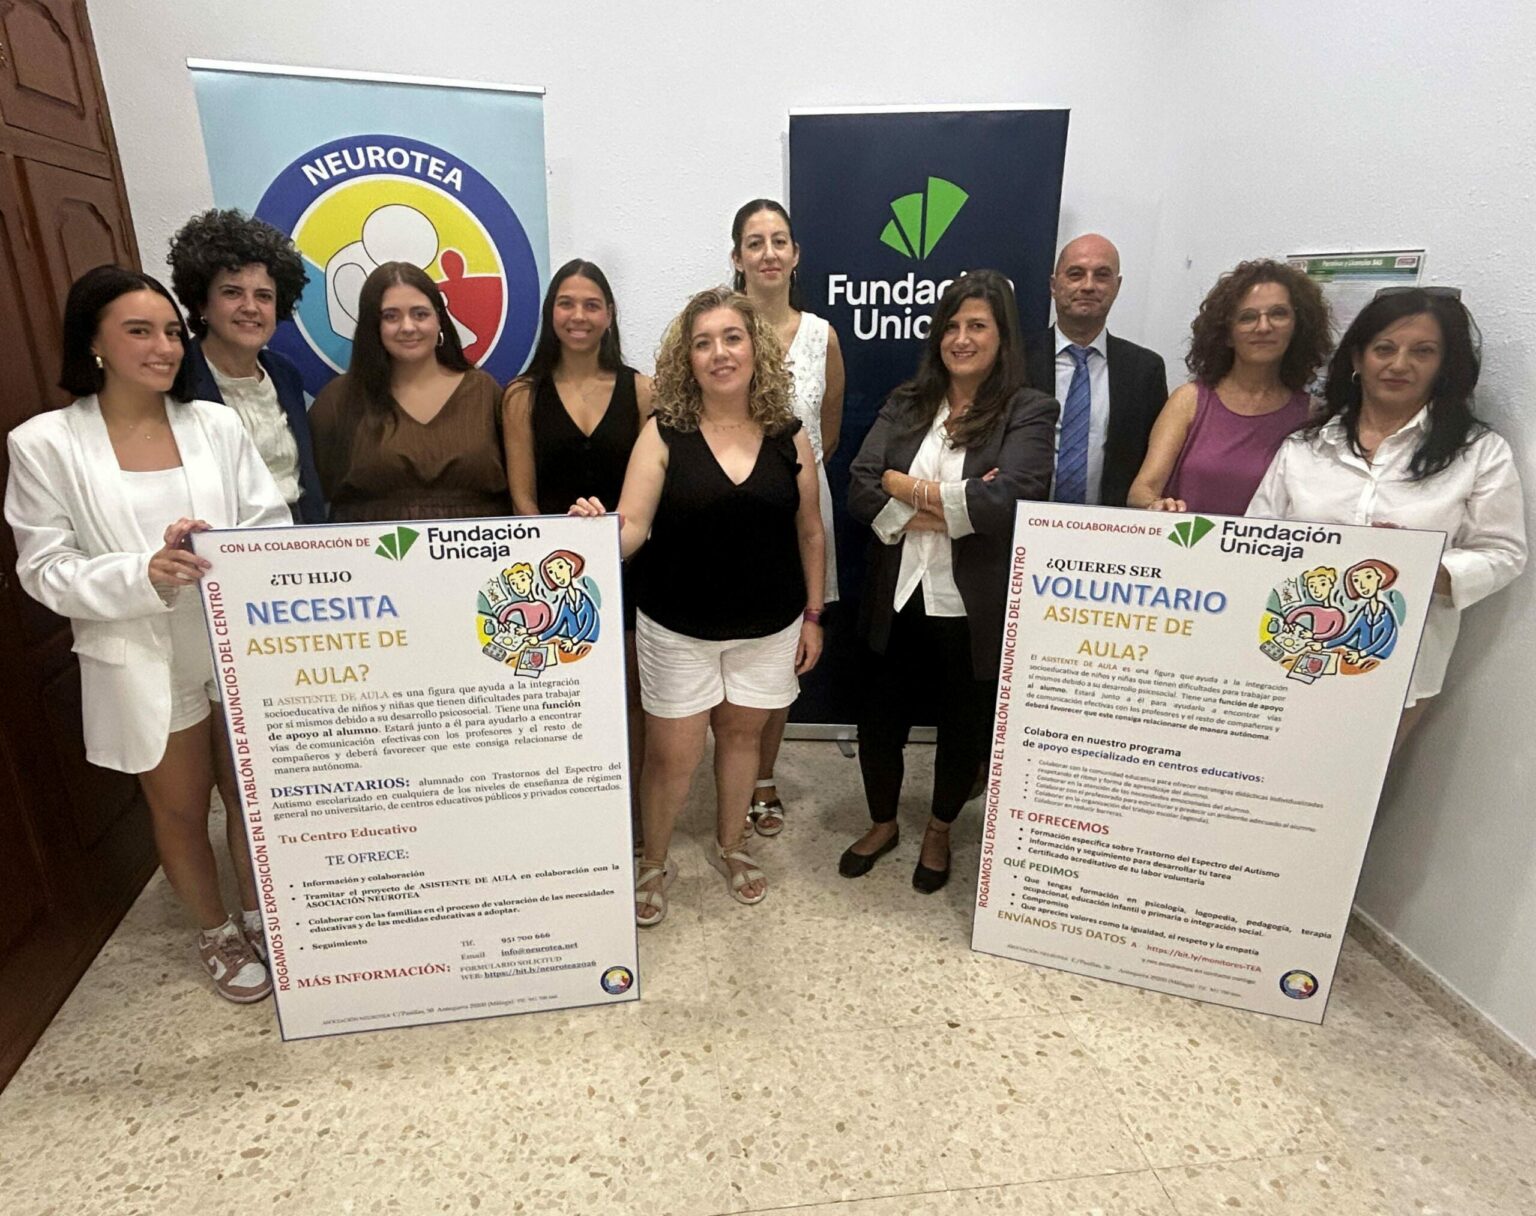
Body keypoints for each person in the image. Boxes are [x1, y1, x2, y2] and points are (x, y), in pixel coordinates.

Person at [4, 266, 291, 1003]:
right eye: (139, 331)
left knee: (252, 794)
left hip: (234, 641)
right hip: (140, 651)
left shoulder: (214, 425)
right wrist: (145, 571)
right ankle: (216, 930)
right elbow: (44, 568)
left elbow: (269, 523)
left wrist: (216, 543)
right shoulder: (46, 443)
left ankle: (262, 912)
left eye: (169, 331)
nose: (163, 347)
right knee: (181, 806)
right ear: (93, 342)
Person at [570, 287, 824, 925]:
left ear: (755, 347)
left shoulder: (790, 437)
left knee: (741, 741)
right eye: (703, 343)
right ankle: (654, 859)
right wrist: (597, 533)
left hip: (769, 626)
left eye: (732, 338)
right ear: (688, 359)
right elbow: (632, 527)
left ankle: (731, 844)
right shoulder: (664, 433)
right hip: (677, 625)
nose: (719, 353)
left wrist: (815, 615)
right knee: (673, 756)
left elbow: (811, 533)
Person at [840, 270, 1057, 893]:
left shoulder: (1028, 409)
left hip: (970, 604)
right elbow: (860, 484)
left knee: (963, 724)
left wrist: (904, 487)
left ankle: (938, 830)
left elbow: (1009, 501)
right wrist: (953, 504)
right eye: (952, 326)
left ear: (1002, 337)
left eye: (977, 326)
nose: (962, 339)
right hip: (898, 592)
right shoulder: (909, 401)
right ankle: (883, 823)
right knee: (879, 720)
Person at [1248, 288, 1526, 749]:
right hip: (1290, 655)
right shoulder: (1304, 447)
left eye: (1423, 352)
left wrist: (1421, 571)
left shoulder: (1479, 452)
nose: (1400, 364)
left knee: (1348, 790)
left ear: (1444, 364)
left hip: (1398, 663)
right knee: (1264, 781)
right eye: (1384, 348)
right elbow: (1256, 537)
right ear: (1358, 358)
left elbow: (1504, 551)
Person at [502, 260, 653, 825]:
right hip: (550, 581)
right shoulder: (522, 395)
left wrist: (619, 547)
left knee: (631, 695)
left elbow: (651, 488)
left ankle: (632, 813)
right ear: (551, 314)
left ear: (609, 315)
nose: (579, 316)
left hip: (630, 567)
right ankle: (571, 816)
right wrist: (557, 565)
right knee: (563, 700)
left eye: (592, 305)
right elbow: (522, 499)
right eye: (566, 303)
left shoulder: (642, 390)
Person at [727, 199, 847, 837]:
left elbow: (826, 433)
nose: (768, 253)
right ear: (737, 257)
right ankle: (728, 768)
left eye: (779, 240)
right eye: (755, 242)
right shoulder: (719, 328)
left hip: (797, 508)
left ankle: (763, 776)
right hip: (730, 509)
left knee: (779, 656)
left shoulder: (822, 336)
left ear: (796, 254)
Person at [308, 261, 508, 522]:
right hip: (373, 546)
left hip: (479, 545)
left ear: (440, 320)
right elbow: (310, 493)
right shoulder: (339, 399)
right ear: (373, 326)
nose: (408, 327)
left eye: (420, 314)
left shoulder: (483, 392)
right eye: (391, 316)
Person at [1129, 258, 1330, 514]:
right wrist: (1157, 505)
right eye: (1248, 317)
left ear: (1298, 327)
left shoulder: (1311, 415)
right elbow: (1141, 491)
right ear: (1226, 334)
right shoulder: (1189, 400)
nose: (1263, 327)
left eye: (1278, 314)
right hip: (1187, 538)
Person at [167, 208, 325, 524]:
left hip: (300, 535)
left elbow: (303, 479)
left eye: (264, 296)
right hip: (223, 539)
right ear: (202, 303)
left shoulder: (285, 374)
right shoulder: (176, 378)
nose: (250, 307)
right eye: (232, 293)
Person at [1023, 233, 1168, 506]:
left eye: (1101, 275)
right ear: (1054, 285)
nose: (1088, 286)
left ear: (1117, 286)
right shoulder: (1015, 359)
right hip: (1019, 523)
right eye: (1076, 274)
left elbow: (1154, 463)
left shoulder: (1145, 371)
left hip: (1110, 526)